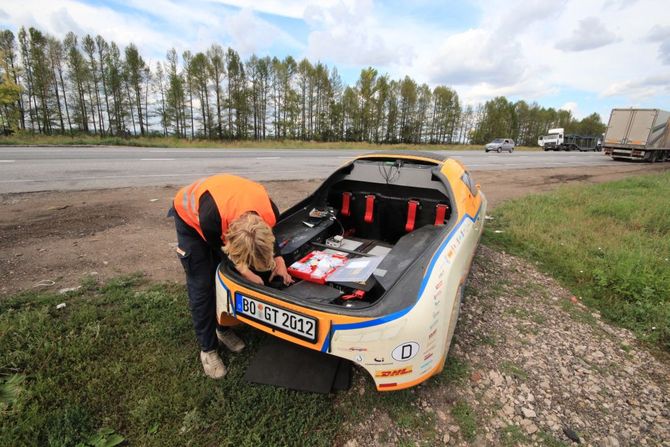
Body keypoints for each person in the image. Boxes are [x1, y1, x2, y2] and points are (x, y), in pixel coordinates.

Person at [169, 174, 293, 379]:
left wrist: (278, 260)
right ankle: (208, 349)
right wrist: (245, 271)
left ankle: (222, 328)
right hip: (192, 220)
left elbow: (270, 238)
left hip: (226, 203)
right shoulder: (211, 220)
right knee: (204, 283)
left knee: (229, 275)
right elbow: (225, 252)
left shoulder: (271, 211)